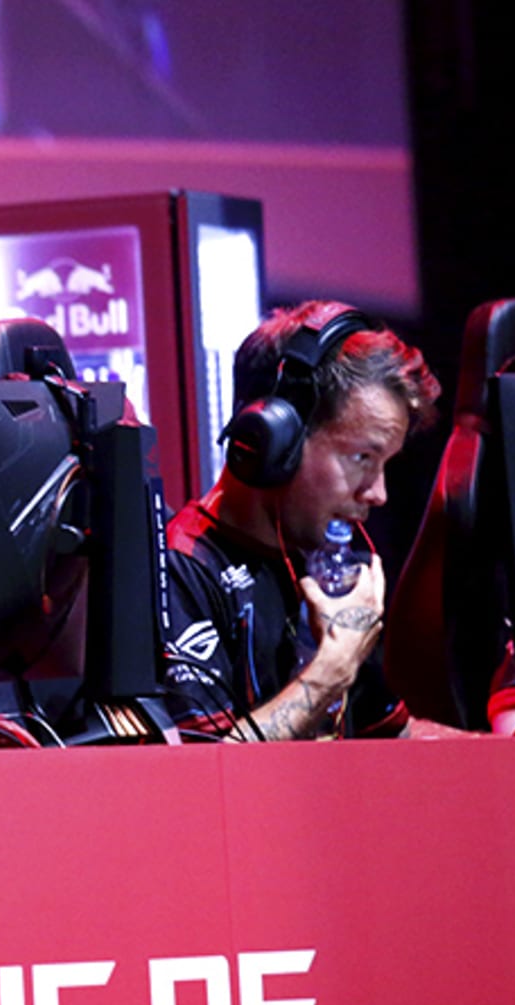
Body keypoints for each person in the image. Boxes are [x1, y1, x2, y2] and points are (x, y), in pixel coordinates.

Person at [160, 300, 467, 740]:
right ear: (275, 438)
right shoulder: (181, 571)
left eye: (385, 463)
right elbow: (205, 768)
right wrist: (331, 670)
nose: (378, 493)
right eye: (362, 457)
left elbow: (392, 735)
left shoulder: (326, 560)